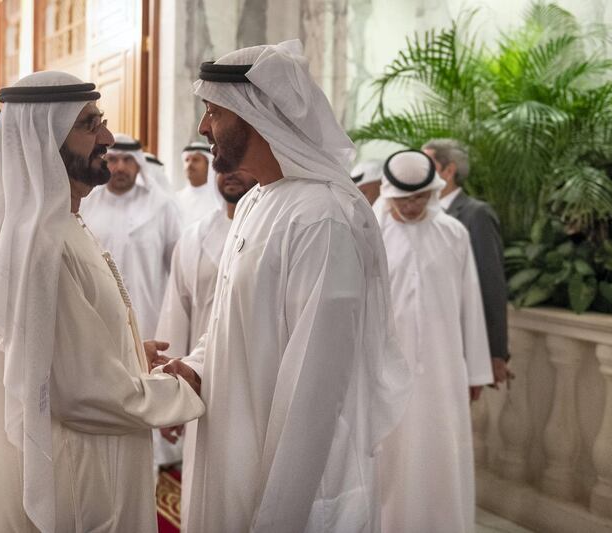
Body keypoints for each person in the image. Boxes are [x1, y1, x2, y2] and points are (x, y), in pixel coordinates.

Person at [159, 40, 412, 532]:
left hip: (294, 487)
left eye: (213, 111)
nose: (203, 127)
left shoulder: (324, 217)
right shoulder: (258, 201)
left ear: (255, 114)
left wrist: (277, 514)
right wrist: (195, 369)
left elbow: (314, 392)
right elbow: (232, 323)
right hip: (234, 449)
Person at [0, 71, 204, 533]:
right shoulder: (39, 245)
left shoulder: (64, 225)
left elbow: (64, 356)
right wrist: (188, 388)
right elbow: (80, 391)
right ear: (46, 140)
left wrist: (130, 356)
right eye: (90, 125)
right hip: (77, 477)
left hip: (92, 461)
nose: (108, 137)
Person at [374, 149, 494, 533]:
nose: (411, 206)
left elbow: (470, 302)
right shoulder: (370, 236)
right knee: (390, 458)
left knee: (441, 455)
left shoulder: (454, 233)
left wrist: (476, 371)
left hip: (443, 374)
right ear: (388, 194)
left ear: (433, 192)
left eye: (419, 197)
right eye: (403, 198)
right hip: (385, 374)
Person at [153, 169, 258, 477]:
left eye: (241, 164)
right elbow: (176, 314)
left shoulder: (274, 231)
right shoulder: (194, 237)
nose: (230, 173)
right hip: (204, 382)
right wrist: (168, 394)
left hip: (256, 385)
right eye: (223, 165)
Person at [422, 139, 511, 383]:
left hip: (462, 340)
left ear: (448, 172)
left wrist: (495, 353)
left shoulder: (476, 214)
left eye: (426, 165)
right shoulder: (420, 214)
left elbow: (490, 283)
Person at [80, 134, 182, 340]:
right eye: (113, 159)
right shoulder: (85, 205)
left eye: (128, 160)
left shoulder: (162, 207)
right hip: (96, 323)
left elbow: (178, 272)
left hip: (149, 323)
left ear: (139, 164)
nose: (119, 167)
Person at [175, 142, 224, 225]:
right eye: (187, 160)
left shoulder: (218, 198)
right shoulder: (176, 198)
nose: (189, 165)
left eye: (195, 160)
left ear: (209, 164)